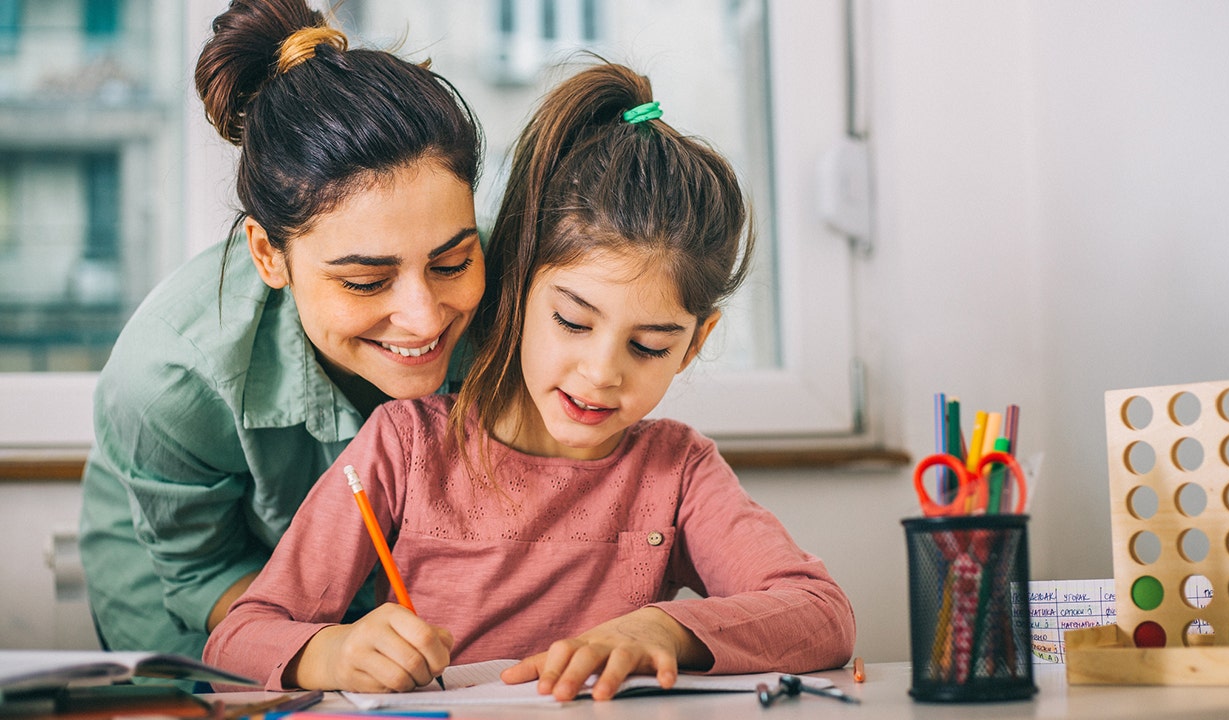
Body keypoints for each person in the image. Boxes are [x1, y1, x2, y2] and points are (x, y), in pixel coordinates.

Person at [204, 60, 855, 701]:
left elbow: (822, 615)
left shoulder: (677, 472)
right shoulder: (406, 447)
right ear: (516, 289)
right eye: (573, 322)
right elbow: (238, 637)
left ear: (694, 345)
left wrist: (664, 629)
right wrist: (333, 652)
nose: (602, 373)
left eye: (650, 345)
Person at [78, 0, 485, 662]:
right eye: (365, 281)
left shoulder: (527, 301)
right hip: (200, 592)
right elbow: (200, 570)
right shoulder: (170, 375)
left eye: (452, 262)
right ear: (269, 255)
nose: (425, 316)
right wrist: (321, 649)